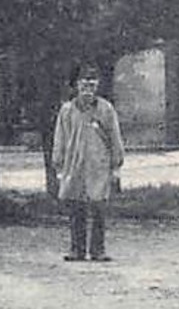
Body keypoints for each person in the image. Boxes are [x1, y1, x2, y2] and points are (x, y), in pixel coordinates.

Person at [51, 63, 125, 263]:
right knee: (76, 208)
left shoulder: (106, 109)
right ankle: (77, 249)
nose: (88, 90)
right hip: (75, 164)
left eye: (92, 85)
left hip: (98, 165)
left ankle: (98, 250)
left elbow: (114, 137)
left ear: (97, 86)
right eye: (84, 85)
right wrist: (59, 166)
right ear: (76, 86)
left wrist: (116, 165)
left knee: (98, 208)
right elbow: (60, 139)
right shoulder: (67, 110)